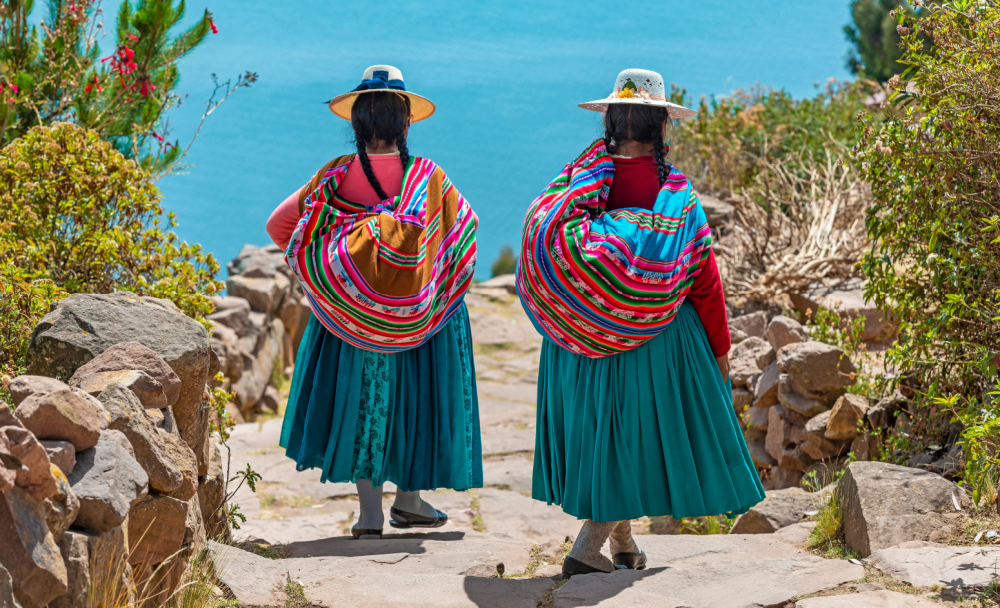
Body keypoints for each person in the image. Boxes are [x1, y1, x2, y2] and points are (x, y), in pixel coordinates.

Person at [517, 68, 764, 576]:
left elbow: (544, 234)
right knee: (633, 437)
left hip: (581, 341)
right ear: (661, 128)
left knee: (607, 436)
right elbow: (704, 279)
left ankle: (623, 542)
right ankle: (587, 548)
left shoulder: (576, 180)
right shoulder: (676, 197)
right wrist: (720, 348)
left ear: (610, 121)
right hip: (655, 340)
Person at [267, 65, 482, 539]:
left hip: (351, 323)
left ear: (357, 124)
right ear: (406, 125)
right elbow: (463, 235)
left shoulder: (335, 178)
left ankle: (370, 515)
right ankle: (409, 499)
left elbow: (279, 227)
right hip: (421, 323)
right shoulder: (429, 178)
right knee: (415, 398)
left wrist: (335, 274)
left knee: (365, 402)